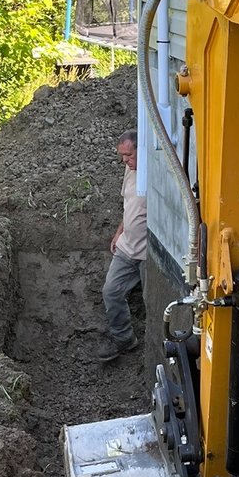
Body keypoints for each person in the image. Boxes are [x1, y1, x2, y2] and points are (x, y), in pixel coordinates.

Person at [98, 130, 146, 361]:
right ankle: (124, 340)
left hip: (150, 255)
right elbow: (129, 207)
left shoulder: (158, 174)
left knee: (153, 303)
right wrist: (119, 232)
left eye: (129, 155)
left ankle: (158, 350)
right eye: (122, 156)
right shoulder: (130, 170)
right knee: (111, 291)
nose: (125, 160)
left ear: (142, 151)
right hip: (127, 247)